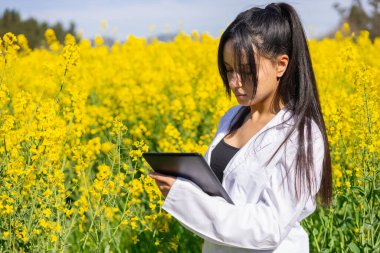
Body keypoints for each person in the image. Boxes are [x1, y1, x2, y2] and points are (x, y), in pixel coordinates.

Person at [149, 2, 333, 252]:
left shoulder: (302, 136)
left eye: (246, 70)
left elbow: (269, 229)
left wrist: (185, 199)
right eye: (229, 70)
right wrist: (183, 185)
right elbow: (221, 194)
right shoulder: (231, 118)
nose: (235, 82)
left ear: (281, 65)